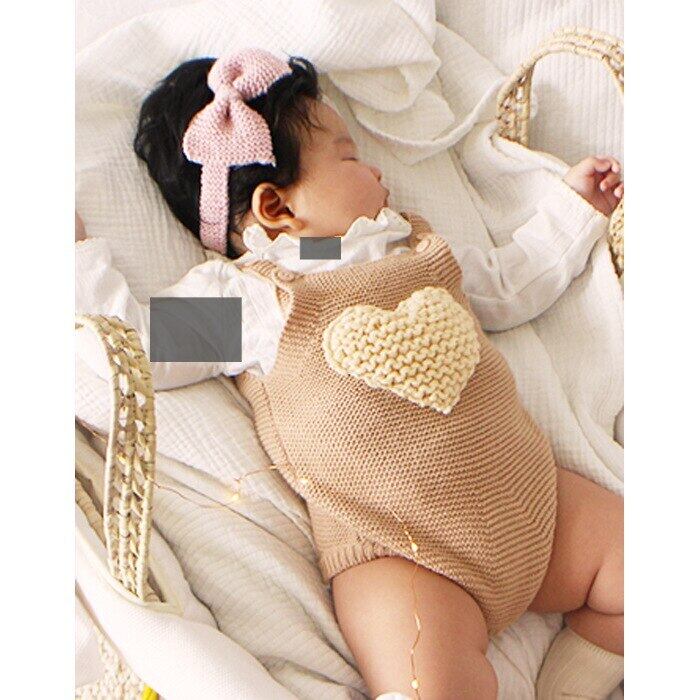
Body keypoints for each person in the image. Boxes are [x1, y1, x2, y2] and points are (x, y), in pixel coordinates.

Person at [75, 47, 623, 699]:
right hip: (402, 552)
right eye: (349, 157)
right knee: (430, 684)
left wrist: (574, 211)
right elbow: (131, 349)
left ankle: (572, 686)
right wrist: (74, 260)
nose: (376, 170)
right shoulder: (258, 301)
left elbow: (508, 284)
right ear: (277, 208)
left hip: (533, 500)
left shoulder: (416, 249)